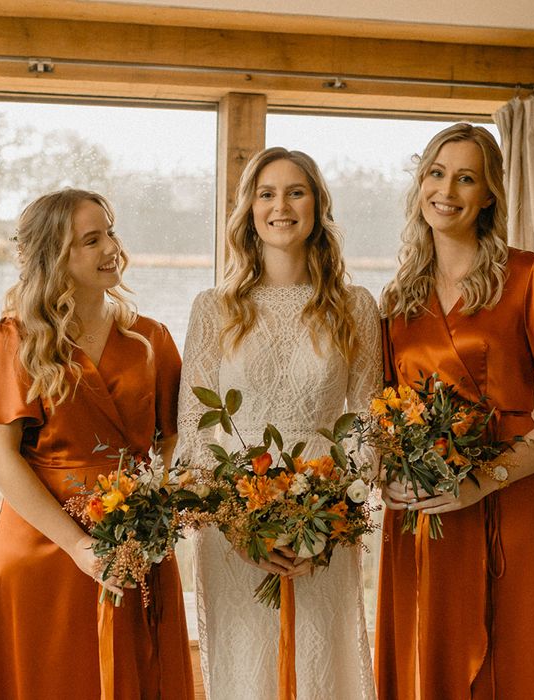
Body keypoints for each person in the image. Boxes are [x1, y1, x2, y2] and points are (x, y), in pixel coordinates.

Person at [374, 123, 534, 699]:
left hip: (515, 495)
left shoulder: (532, 275)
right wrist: (388, 473)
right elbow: (382, 414)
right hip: (425, 503)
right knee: (429, 654)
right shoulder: (397, 299)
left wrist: (485, 480)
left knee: (520, 655)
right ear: (420, 184)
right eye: (436, 174)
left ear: (488, 194)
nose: (447, 190)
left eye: (466, 178)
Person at [0, 189, 194, 699]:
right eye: (92, 240)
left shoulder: (151, 339)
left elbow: (178, 439)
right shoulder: (15, 337)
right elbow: (0, 457)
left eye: (110, 231)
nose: (112, 247)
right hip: (40, 548)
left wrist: (157, 513)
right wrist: (79, 546)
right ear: (55, 257)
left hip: (132, 545)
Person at [177, 147, 382, 700]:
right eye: (266, 193)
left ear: (317, 205)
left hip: (327, 526)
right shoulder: (212, 308)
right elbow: (196, 433)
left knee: (322, 667)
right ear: (248, 210)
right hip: (233, 530)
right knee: (247, 673)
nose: (281, 205)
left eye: (296, 192)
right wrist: (240, 529)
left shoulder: (355, 306)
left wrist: (329, 522)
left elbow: (368, 425)